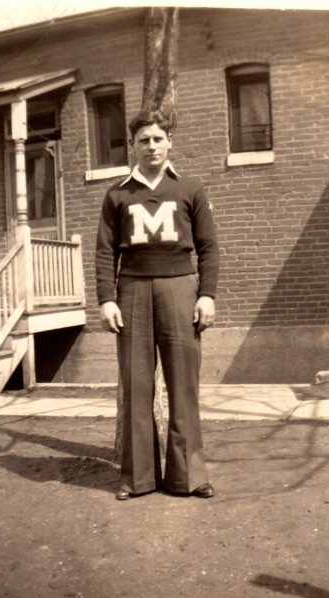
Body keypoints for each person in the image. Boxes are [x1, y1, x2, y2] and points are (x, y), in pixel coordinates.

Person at [95, 110, 219, 500]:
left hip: (180, 289)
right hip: (131, 290)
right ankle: (138, 478)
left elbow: (209, 247)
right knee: (136, 384)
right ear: (133, 145)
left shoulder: (190, 189)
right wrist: (106, 300)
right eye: (143, 139)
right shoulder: (118, 193)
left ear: (170, 143)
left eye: (157, 138)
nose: (151, 145)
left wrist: (207, 295)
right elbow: (103, 252)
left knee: (184, 384)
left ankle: (189, 477)